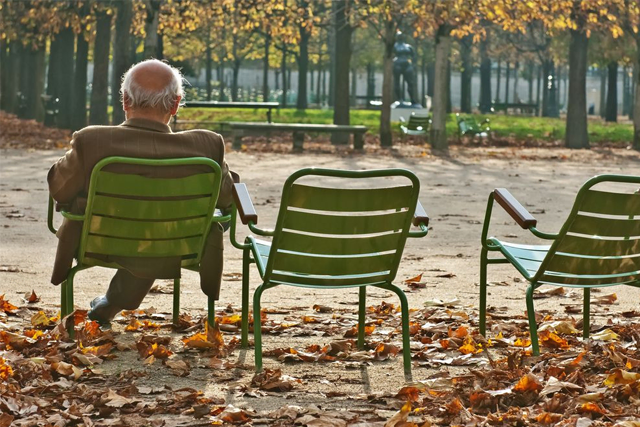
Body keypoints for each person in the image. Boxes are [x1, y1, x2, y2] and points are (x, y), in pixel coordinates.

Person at [48, 59, 235, 324]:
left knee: (144, 227)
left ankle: (111, 304)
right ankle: (112, 303)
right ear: (175, 104)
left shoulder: (92, 141)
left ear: (125, 100)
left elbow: (60, 190)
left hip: (100, 242)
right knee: (159, 226)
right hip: (180, 243)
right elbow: (228, 199)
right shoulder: (207, 146)